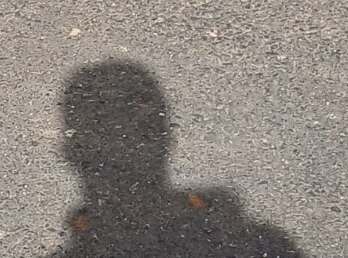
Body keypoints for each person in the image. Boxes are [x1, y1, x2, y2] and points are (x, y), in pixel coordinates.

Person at [47, 60, 308, 258]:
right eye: (103, 125)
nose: (122, 142)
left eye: (140, 127)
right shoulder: (255, 243)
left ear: (71, 150)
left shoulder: (251, 241)